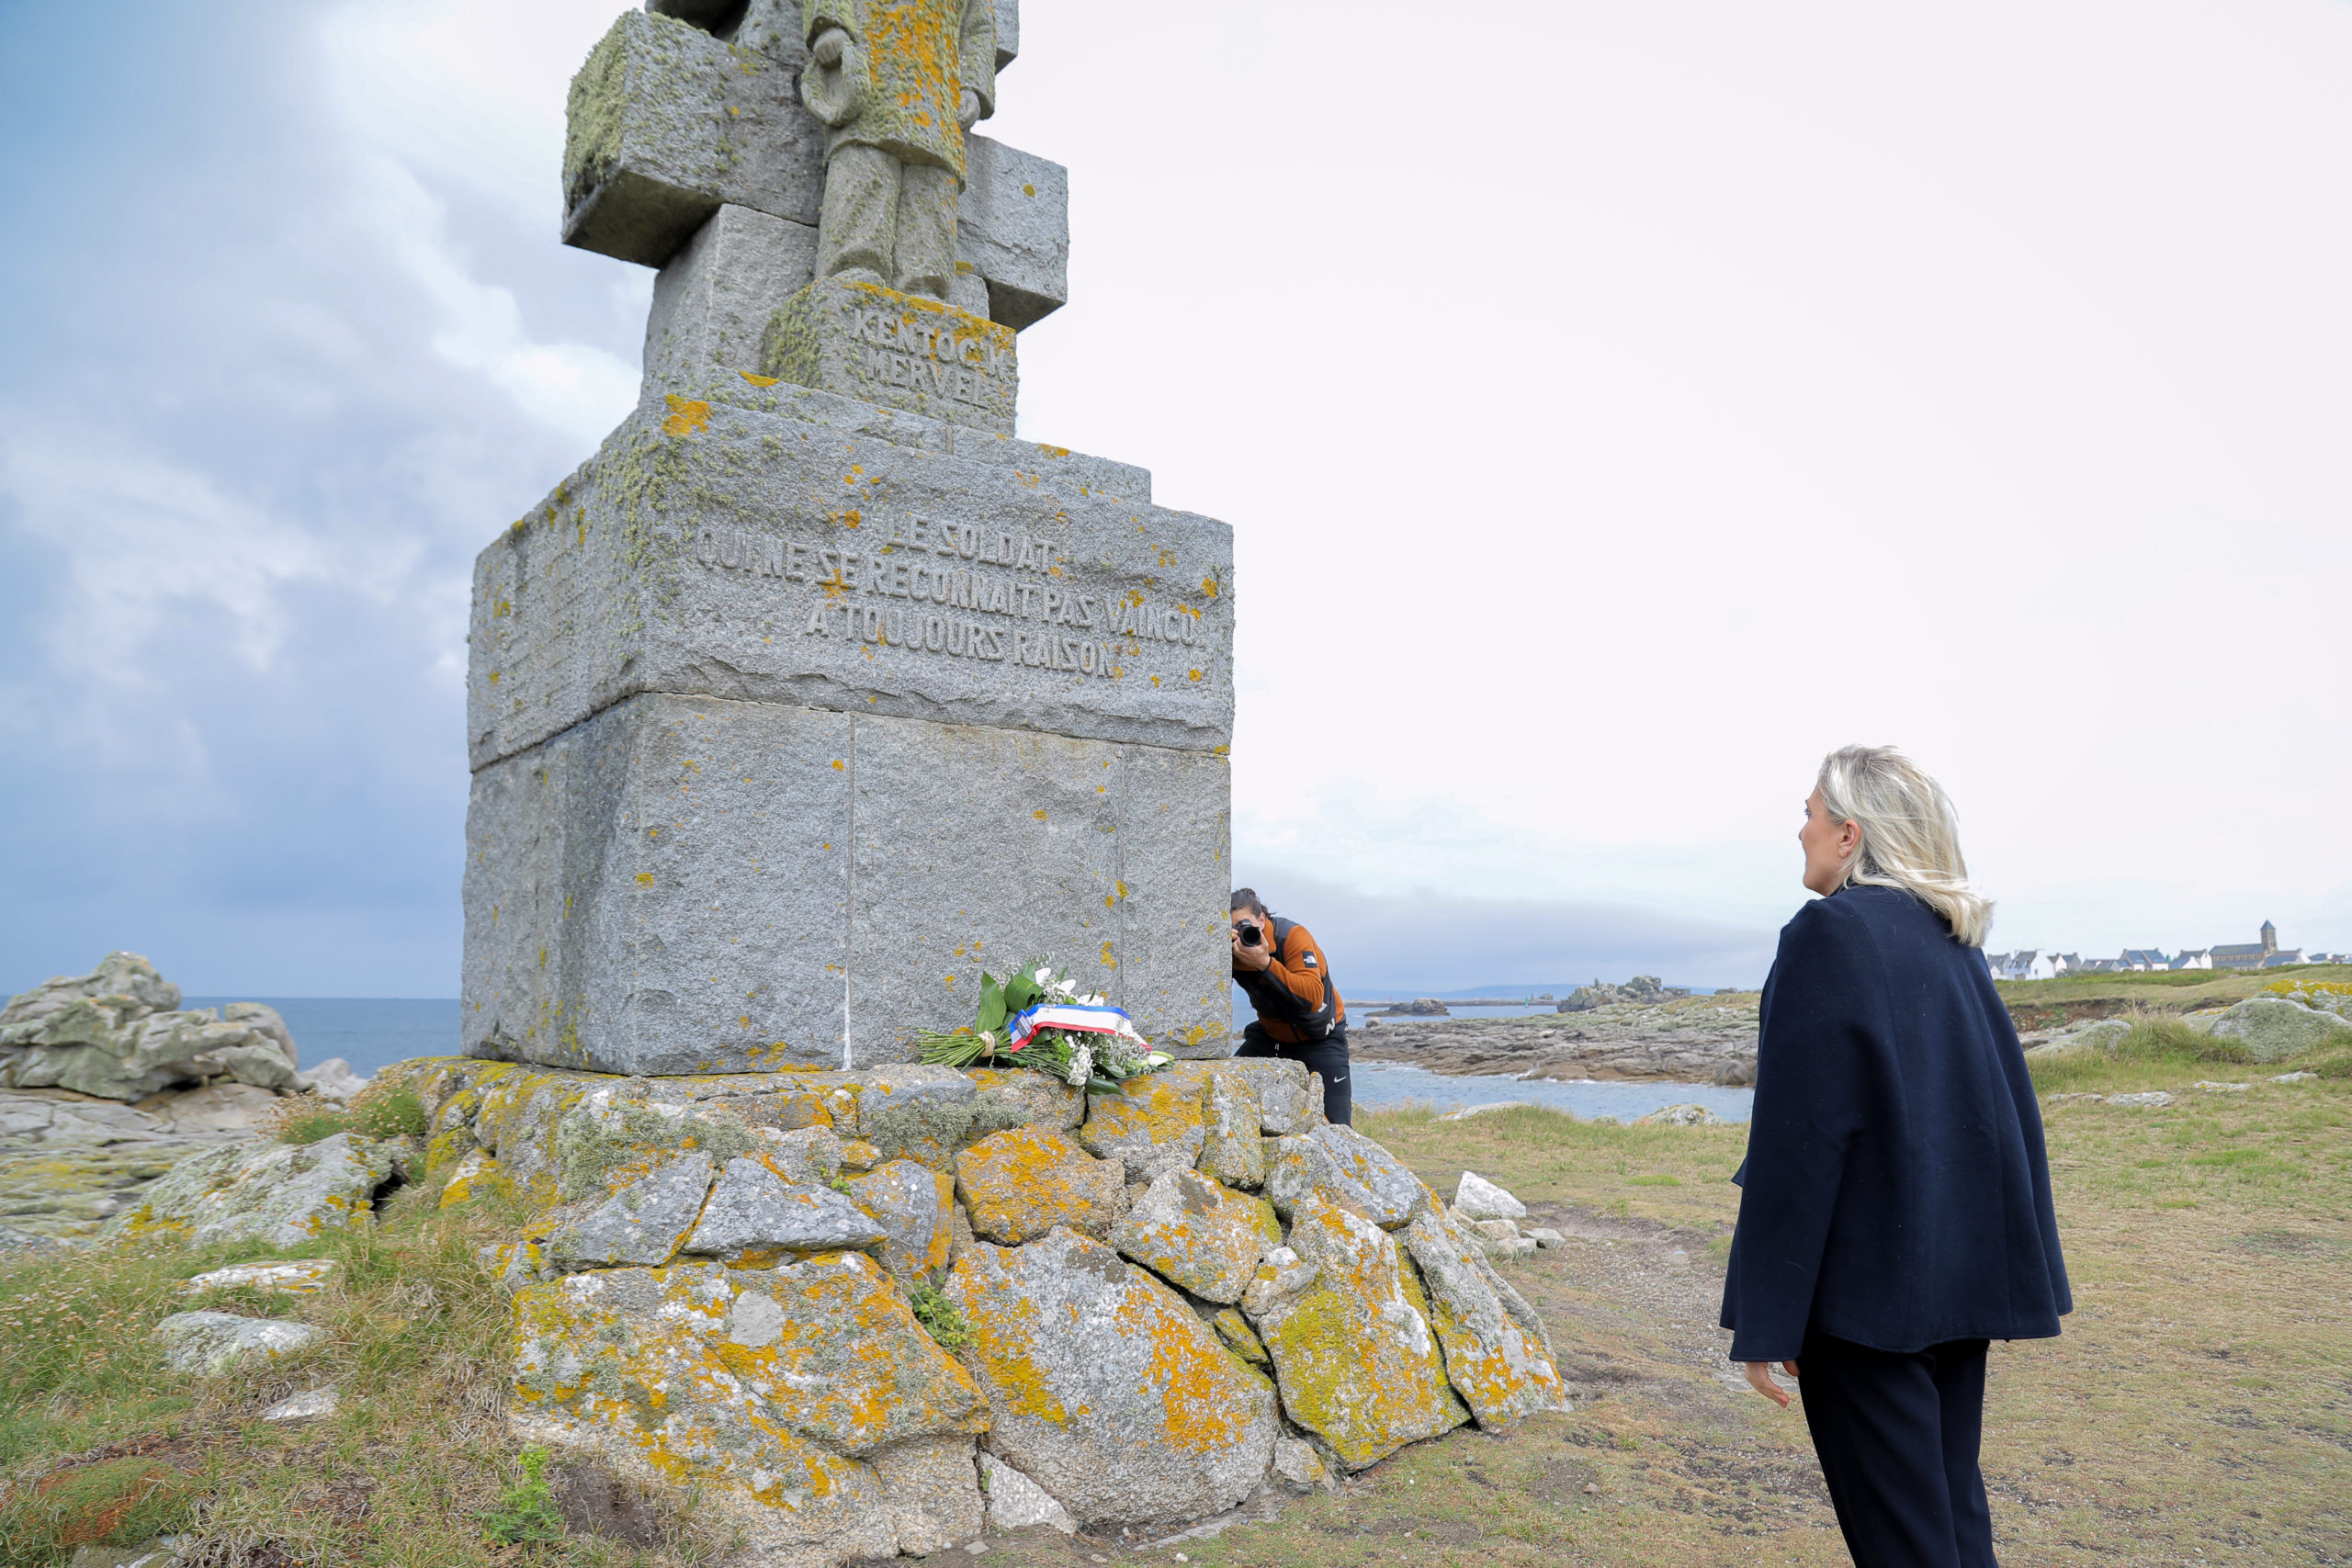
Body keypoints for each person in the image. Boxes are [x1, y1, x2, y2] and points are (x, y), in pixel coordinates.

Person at [1723, 746, 2070, 1568]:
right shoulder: (1952, 941)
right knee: (1949, 1522)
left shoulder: (1828, 935)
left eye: (1809, 811)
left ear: (1849, 833)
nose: (1797, 828)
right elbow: (1994, 1114)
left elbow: (1801, 1142)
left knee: (1906, 1545)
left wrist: (1769, 1316)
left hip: (1865, 1305)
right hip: (1956, 1282)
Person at [1227, 888, 1351, 1126]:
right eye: (1232, 928)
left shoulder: (1292, 936)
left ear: (1262, 919)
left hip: (1319, 1037)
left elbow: (1312, 997)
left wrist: (1264, 963)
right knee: (1227, 1091)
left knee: (1338, 1126)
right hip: (1271, 1035)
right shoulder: (1232, 950)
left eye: (1245, 924)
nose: (1241, 934)